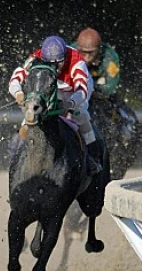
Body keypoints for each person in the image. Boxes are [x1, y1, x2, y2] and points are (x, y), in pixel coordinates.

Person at [8, 35, 102, 173]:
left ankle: (93, 158)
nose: (55, 67)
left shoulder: (77, 62)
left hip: (75, 89)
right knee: (30, 118)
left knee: (81, 115)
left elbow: (82, 90)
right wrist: (18, 93)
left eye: (59, 62)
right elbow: (16, 77)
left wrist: (69, 103)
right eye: (50, 62)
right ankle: (15, 154)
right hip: (52, 87)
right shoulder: (36, 57)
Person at [71, 27, 136, 140]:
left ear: (99, 49)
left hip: (101, 95)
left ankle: (125, 136)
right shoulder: (70, 52)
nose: (86, 57)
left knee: (126, 118)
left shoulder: (110, 57)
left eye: (91, 52)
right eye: (83, 52)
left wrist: (91, 89)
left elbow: (110, 86)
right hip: (77, 93)